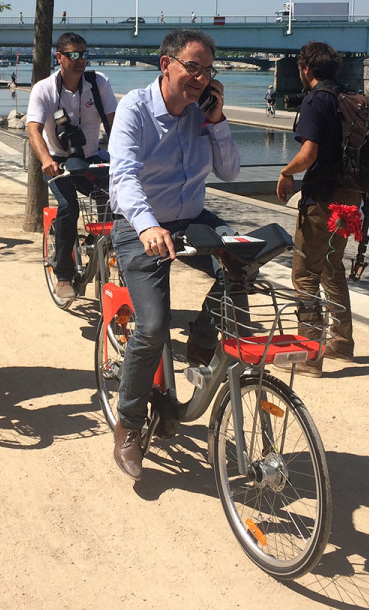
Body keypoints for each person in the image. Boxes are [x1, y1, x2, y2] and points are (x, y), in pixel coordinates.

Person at [107, 28, 239, 479]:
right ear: (167, 65)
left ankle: (202, 342)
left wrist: (218, 121)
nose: (201, 78)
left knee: (243, 265)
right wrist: (147, 227)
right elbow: (124, 178)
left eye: (208, 70)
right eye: (193, 68)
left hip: (191, 217)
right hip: (138, 223)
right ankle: (127, 424)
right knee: (153, 324)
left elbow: (231, 170)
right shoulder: (135, 109)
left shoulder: (203, 113)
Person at [276, 41, 360, 377]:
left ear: (306, 68)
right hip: (351, 199)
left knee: (305, 275)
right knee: (332, 267)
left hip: (323, 199)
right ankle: (341, 341)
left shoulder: (316, 100)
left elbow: (308, 154)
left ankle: (309, 356)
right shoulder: (347, 96)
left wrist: (285, 172)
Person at [26, 32, 118, 299]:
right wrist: (46, 161)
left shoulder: (98, 83)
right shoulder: (44, 89)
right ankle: (63, 275)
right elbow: (34, 129)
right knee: (69, 207)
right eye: (73, 55)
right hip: (58, 161)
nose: (80, 60)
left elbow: (115, 123)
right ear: (60, 57)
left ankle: (106, 251)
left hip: (91, 159)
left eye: (84, 54)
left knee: (116, 199)